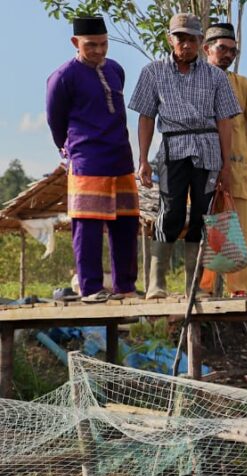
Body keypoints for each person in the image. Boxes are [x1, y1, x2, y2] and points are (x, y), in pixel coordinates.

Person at [129, 13, 241, 299]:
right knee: (172, 211)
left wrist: (226, 166)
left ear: (201, 42)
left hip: (207, 149)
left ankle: (196, 286)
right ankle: (157, 282)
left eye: (192, 38)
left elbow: (225, 122)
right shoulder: (152, 72)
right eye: (180, 37)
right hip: (172, 148)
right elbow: (146, 117)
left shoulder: (216, 77)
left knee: (204, 214)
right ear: (170, 39)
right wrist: (142, 159)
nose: (186, 44)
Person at [46, 15, 139, 303]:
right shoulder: (63, 77)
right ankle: (90, 288)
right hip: (87, 159)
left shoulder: (116, 70)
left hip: (121, 157)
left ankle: (125, 286)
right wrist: (69, 148)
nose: (98, 50)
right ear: (76, 42)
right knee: (87, 225)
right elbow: (55, 121)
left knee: (126, 223)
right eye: (91, 45)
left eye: (103, 44)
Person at [199, 22, 247, 297]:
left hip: (236, 174)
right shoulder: (192, 84)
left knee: (236, 231)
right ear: (207, 49)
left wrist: (239, 157)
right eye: (222, 49)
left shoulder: (243, 86)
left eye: (232, 51)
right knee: (204, 228)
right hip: (201, 171)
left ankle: (238, 289)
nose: (228, 55)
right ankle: (202, 288)